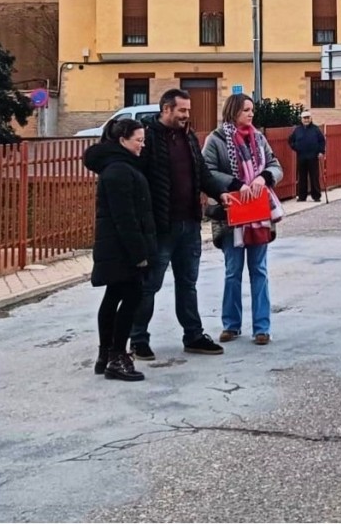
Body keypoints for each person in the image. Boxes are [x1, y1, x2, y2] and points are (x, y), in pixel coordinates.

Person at [129, 89, 232, 361]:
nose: (187, 115)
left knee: (188, 283)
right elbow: (136, 180)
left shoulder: (188, 137)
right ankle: (138, 339)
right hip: (161, 227)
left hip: (190, 223)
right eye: (182, 111)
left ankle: (193, 335)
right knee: (150, 285)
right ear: (166, 109)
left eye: (188, 110)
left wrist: (219, 192)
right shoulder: (148, 138)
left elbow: (202, 173)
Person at [203, 93, 284, 346]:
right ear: (233, 111)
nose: (251, 114)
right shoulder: (216, 140)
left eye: (252, 110)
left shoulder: (258, 138)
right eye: (246, 110)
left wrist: (264, 178)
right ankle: (231, 325)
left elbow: (275, 165)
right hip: (232, 215)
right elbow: (207, 171)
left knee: (259, 270)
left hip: (259, 215)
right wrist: (236, 183)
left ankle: (262, 328)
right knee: (232, 272)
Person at [83, 119, 156, 382]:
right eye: (138, 140)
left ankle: (106, 356)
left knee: (114, 296)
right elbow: (125, 217)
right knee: (131, 298)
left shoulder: (120, 166)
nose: (142, 145)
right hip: (122, 249)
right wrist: (139, 254)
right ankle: (116, 356)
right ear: (123, 140)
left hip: (117, 248)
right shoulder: (118, 171)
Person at [288, 110, 326, 202]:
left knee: (314, 176)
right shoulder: (297, 130)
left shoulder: (315, 129)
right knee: (302, 177)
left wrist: (321, 151)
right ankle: (302, 196)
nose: (306, 120)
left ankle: (316, 196)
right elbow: (290, 140)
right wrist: (296, 148)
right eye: (304, 118)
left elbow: (322, 141)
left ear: (311, 119)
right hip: (301, 156)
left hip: (313, 156)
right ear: (301, 119)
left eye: (308, 118)